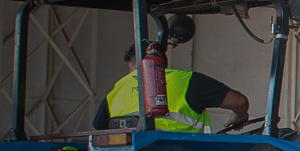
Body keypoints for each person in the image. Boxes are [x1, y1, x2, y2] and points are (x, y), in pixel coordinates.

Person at [101, 45, 250, 133]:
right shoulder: (187, 80)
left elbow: (100, 127)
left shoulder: (118, 88)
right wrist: (239, 116)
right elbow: (239, 102)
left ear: (132, 65)